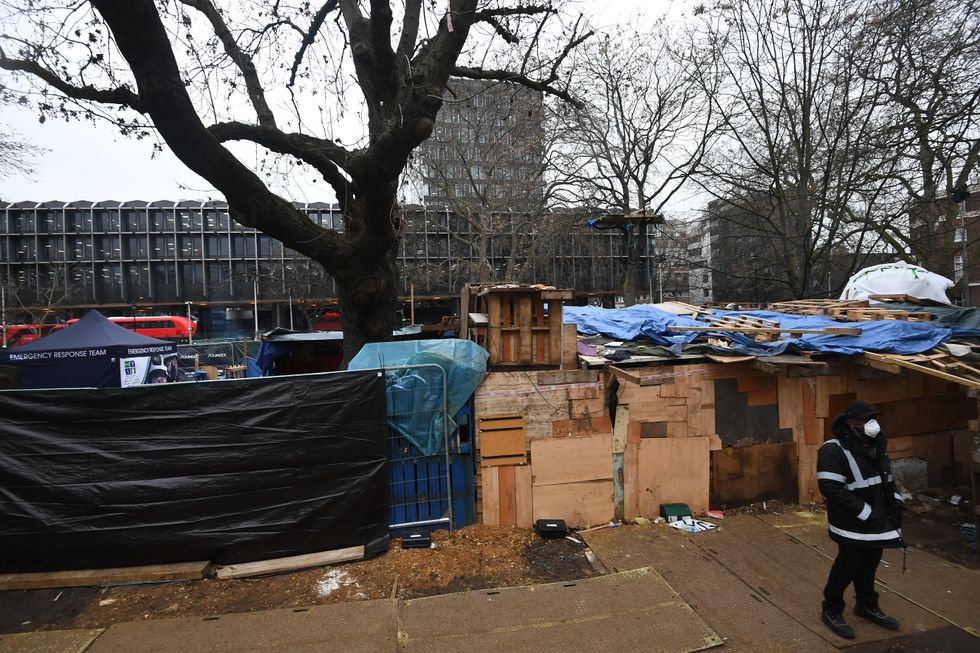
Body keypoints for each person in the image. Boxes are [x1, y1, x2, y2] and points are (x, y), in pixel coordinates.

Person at [817, 399, 905, 639]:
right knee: (848, 565)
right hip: (852, 522)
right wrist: (864, 512)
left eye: (872, 419)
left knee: (870, 564)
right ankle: (831, 609)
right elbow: (830, 487)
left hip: (878, 520)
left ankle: (866, 605)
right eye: (865, 420)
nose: (871, 424)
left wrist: (896, 503)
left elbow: (887, 478)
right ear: (850, 423)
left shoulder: (876, 444)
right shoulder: (832, 449)